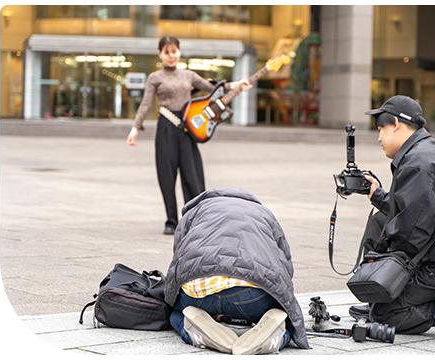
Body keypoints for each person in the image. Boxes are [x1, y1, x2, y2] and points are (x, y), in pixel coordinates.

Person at [348, 95, 435, 340]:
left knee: (384, 317)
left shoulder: (418, 163)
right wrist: (377, 195)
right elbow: (416, 208)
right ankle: (382, 298)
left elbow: (411, 234)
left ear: (395, 124)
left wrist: (379, 264)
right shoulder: (425, 149)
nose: (379, 137)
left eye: (380, 128)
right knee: (380, 220)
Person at [126, 36, 251, 235]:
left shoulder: (188, 75)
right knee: (166, 174)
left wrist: (237, 85)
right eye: (166, 52)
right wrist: (135, 128)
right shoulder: (155, 77)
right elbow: (146, 104)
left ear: (179, 52)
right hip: (166, 126)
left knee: (192, 174)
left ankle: (196, 218)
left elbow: (213, 89)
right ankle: (171, 220)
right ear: (160, 54)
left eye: (174, 51)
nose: (171, 56)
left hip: (187, 129)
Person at [163, 187, 310, 355]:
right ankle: (278, 336)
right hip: (253, 297)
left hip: (197, 295)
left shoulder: (195, 211)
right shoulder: (264, 213)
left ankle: (194, 332)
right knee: (283, 316)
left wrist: (170, 299)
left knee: (175, 314)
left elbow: (178, 258)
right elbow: (285, 262)